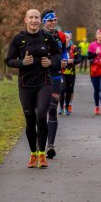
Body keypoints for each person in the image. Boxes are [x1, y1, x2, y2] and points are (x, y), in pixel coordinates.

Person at [5, 9, 60, 167]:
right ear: (25, 20)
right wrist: (22, 62)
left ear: (40, 20)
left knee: (42, 115)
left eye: (36, 17)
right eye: (31, 17)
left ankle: (42, 154)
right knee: (29, 119)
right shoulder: (19, 39)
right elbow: (9, 60)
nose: (34, 20)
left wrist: (50, 62)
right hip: (25, 84)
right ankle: (33, 154)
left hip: (44, 82)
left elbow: (57, 55)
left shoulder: (48, 38)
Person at [41, 9, 66, 159]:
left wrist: (62, 61)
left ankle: (50, 145)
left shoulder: (60, 36)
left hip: (56, 77)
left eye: (55, 20)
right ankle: (39, 143)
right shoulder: (37, 36)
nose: (53, 23)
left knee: (52, 109)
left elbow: (63, 53)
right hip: (40, 78)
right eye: (50, 20)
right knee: (40, 111)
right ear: (44, 21)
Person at [60, 32, 81, 115]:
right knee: (62, 89)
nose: (65, 39)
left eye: (67, 38)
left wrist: (73, 61)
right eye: (64, 38)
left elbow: (79, 60)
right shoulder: (59, 48)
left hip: (71, 73)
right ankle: (61, 107)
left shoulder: (74, 48)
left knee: (69, 90)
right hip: (61, 72)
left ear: (70, 39)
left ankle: (67, 107)